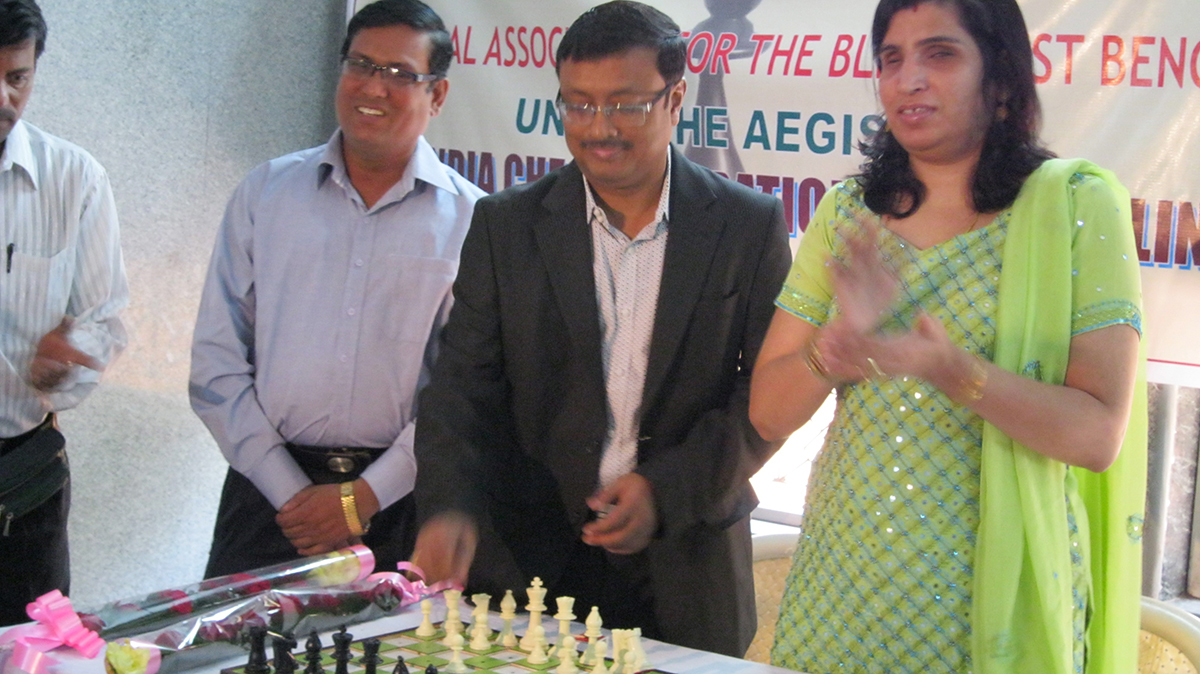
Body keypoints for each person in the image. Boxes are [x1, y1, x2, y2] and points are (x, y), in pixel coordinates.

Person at [749, 0, 1146, 672]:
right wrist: (835, 346)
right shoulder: (848, 213)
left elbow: (1096, 435)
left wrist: (953, 370)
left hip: (994, 599)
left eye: (940, 53)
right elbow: (766, 413)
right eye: (892, 58)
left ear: (1001, 79)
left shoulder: (1074, 206)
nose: (909, 79)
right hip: (842, 586)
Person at [408, 0, 790, 657]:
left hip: (687, 562)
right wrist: (449, 506)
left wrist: (665, 491)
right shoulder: (507, 225)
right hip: (532, 563)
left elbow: (767, 399)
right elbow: (460, 392)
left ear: (675, 99)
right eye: (578, 104)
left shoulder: (746, 226)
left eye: (625, 105)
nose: (598, 128)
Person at [189, 0, 483, 578]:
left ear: (438, 95)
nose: (373, 87)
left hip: (400, 507)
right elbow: (215, 361)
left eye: (400, 74)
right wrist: (293, 495)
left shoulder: (472, 220)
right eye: (360, 65)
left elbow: (466, 391)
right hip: (268, 502)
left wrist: (362, 499)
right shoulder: (266, 193)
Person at [0, 0, 129, 626]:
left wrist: (69, 359)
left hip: (22, 479)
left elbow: (105, 320)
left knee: (35, 652)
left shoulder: (75, 178)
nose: (4, 97)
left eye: (17, 78)